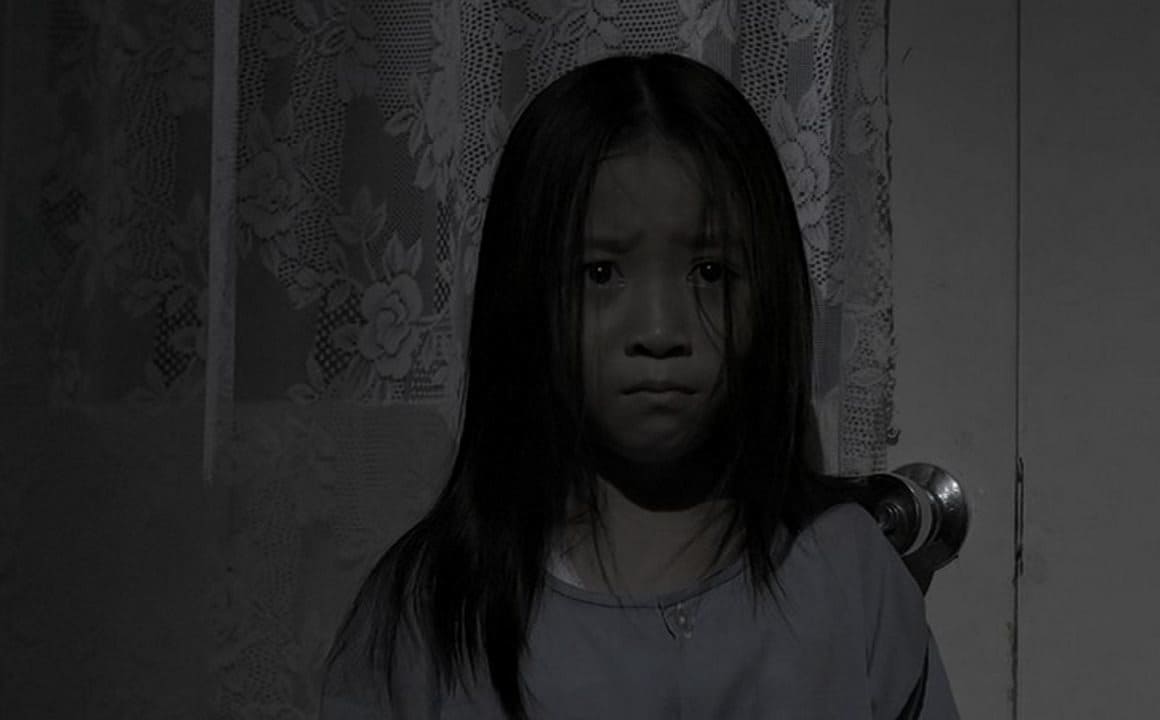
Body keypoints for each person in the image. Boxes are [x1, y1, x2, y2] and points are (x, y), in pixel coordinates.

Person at [321, 52, 960, 719]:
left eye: (710, 272)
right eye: (600, 274)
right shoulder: (435, 608)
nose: (659, 330)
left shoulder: (848, 574)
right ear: (526, 294)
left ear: (767, 292)